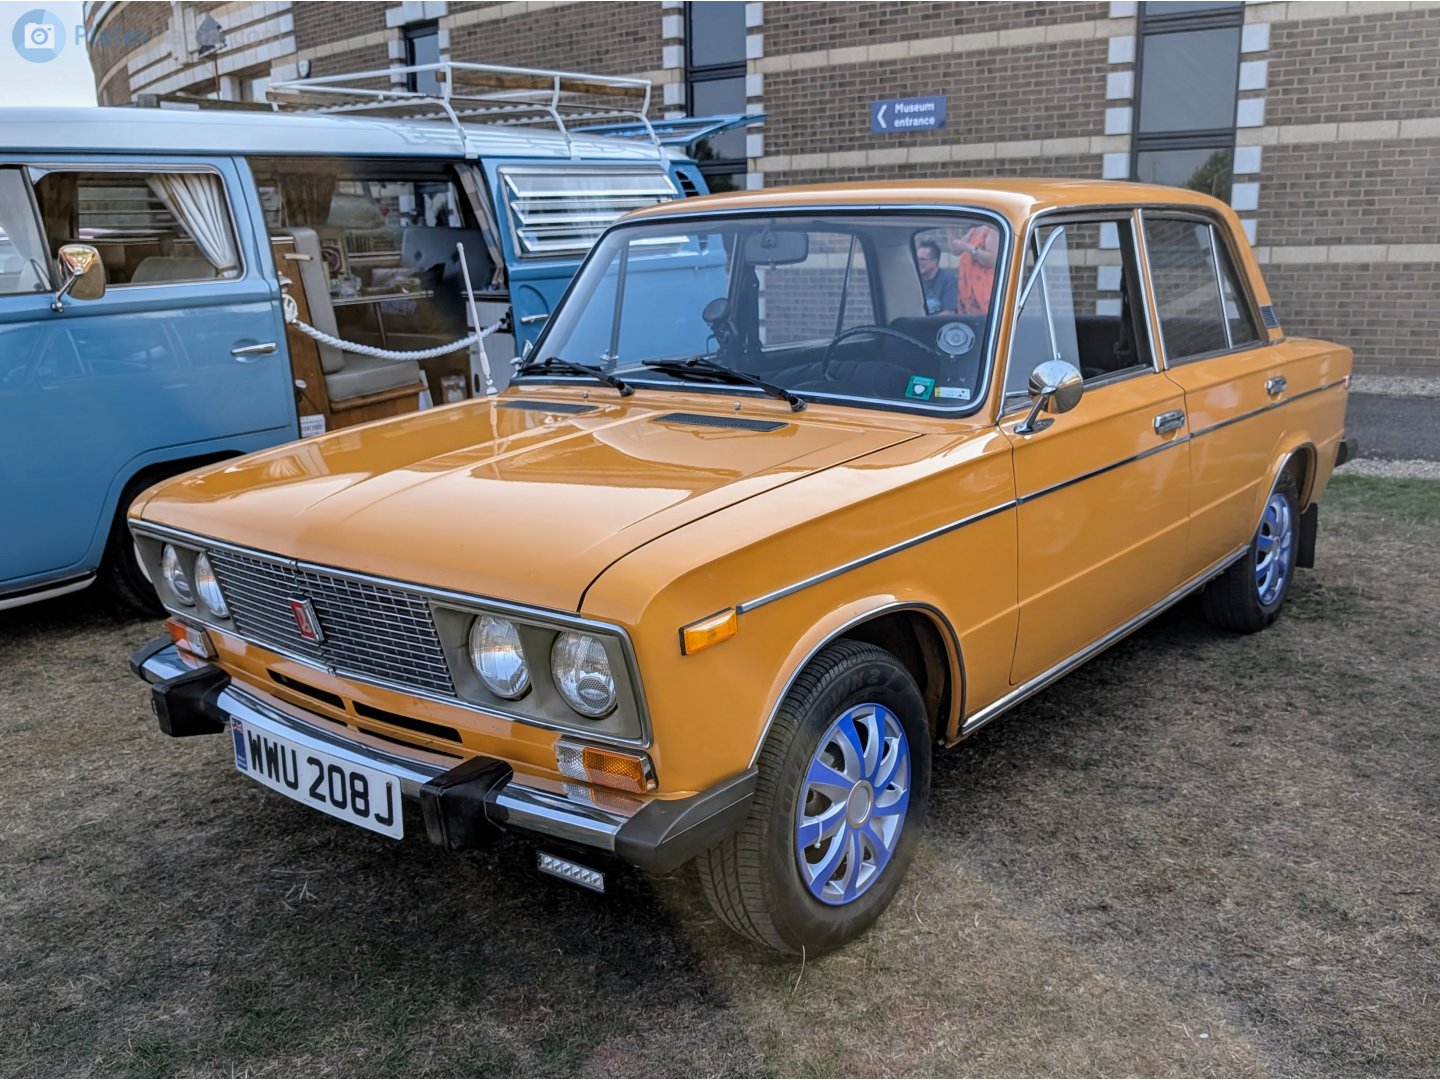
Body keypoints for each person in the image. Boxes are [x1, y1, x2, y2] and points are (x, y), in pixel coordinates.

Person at [949, 223, 999, 314]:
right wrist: (951, 227)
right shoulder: (974, 230)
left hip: (983, 291)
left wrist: (969, 248)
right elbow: (956, 250)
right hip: (967, 289)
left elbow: (992, 260)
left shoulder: (991, 230)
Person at [914, 239, 956, 315]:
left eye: (922, 259)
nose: (918, 262)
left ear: (935, 261)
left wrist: (926, 322)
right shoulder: (914, 279)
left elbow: (949, 312)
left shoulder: (948, 280)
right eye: (916, 259)